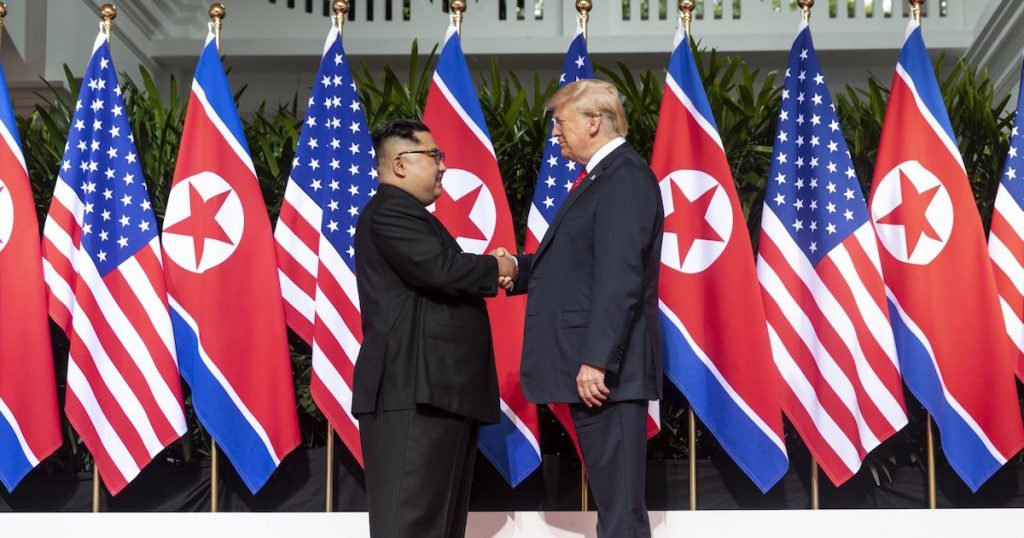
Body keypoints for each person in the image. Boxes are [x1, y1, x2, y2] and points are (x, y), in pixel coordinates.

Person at [499, 79, 664, 538]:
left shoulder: (625, 178)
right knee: (614, 505)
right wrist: (516, 266)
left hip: (607, 374)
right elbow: (578, 264)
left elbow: (620, 278)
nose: (555, 134)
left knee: (621, 509)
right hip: (598, 370)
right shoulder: (602, 177)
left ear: (594, 122)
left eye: (561, 122)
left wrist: (596, 359)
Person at [352, 119, 517, 538]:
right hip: (411, 392)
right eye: (434, 156)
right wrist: (497, 266)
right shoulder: (390, 211)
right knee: (411, 525)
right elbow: (442, 270)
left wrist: (515, 268)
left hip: (438, 392)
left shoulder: (410, 215)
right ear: (401, 164)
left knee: (438, 527)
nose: (443, 165)